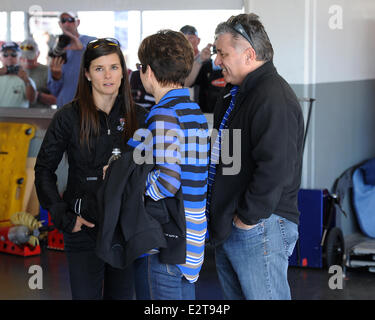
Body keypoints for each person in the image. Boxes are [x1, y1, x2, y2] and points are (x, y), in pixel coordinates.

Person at [35, 38, 147, 300]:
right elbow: (43, 171)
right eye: (99, 68)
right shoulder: (68, 117)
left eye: (114, 67)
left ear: (124, 71)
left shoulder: (140, 117)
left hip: (124, 230)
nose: (108, 75)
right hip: (83, 229)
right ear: (86, 73)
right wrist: (64, 217)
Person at [207, 13, 305, 300]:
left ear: (249, 55)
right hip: (235, 223)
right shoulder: (239, 94)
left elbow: (275, 168)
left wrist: (247, 219)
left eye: (222, 53)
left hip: (259, 225)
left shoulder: (272, 97)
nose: (216, 61)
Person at [128, 30, 210, 300]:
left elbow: (168, 180)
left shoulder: (163, 112)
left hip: (166, 239)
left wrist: (138, 190)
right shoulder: (193, 111)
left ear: (148, 71)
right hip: (192, 236)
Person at [48, 11, 96, 108]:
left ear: (77, 22)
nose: (67, 24)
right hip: (65, 108)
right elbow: (54, 91)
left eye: (70, 20)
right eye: (63, 20)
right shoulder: (56, 49)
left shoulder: (91, 42)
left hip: (90, 106)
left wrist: (81, 49)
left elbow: (105, 62)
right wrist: (56, 77)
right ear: (59, 24)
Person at [181, 25, 226, 113]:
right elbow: (186, 83)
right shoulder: (178, 63)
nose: (187, 41)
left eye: (190, 38)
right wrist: (200, 60)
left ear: (198, 40)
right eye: (183, 38)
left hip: (217, 108)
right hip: (198, 111)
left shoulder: (209, 60)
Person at [20, 38, 57, 108]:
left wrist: (37, 95)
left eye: (30, 56)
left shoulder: (48, 71)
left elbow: (57, 100)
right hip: (15, 115)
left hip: (40, 115)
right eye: (24, 56)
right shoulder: (13, 71)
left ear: (38, 54)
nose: (27, 60)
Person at [0, 41, 36, 107]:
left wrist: (26, 81)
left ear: (20, 58)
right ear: (0, 58)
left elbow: (32, 99)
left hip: (19, 116)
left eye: (13, 54)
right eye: (5, 55)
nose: (9, 57)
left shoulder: (26, 78)